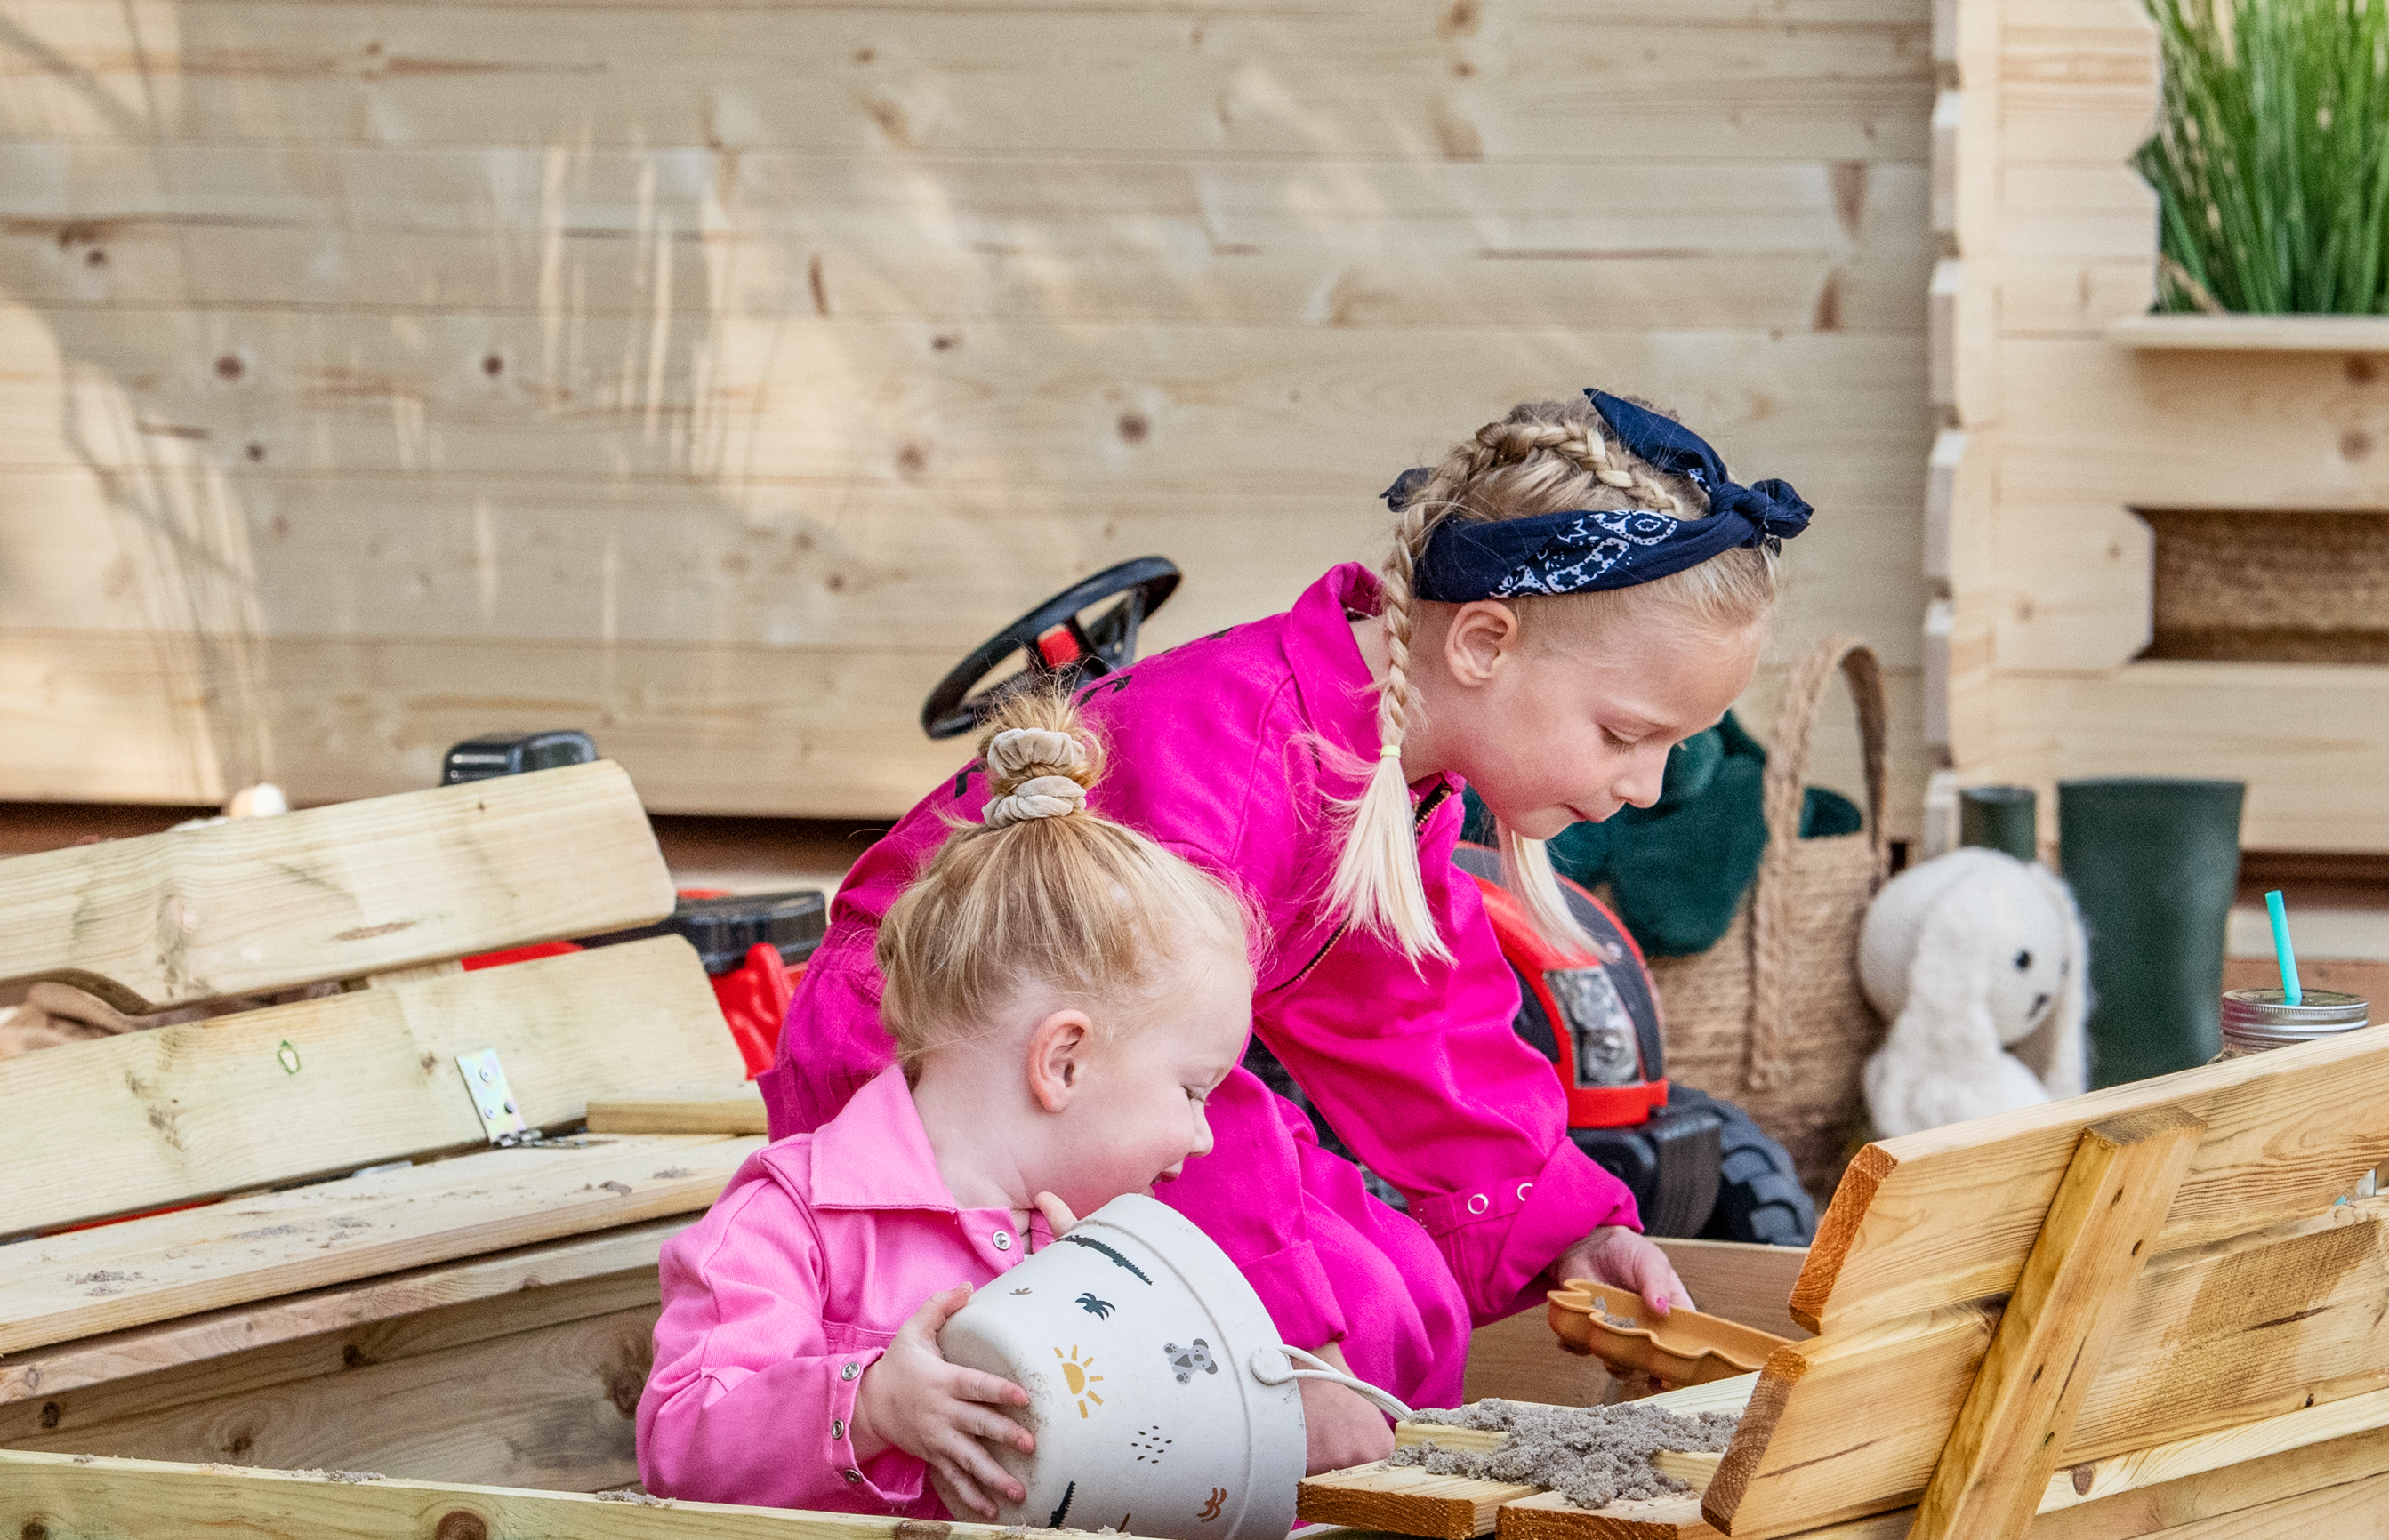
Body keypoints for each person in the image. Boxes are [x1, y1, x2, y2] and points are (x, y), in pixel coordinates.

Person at [760, 390, 1799, 1424]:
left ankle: (1338, 1522)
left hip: (1127, 1083)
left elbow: (1414, 1024)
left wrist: (1563, 1227)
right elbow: (1124, 1070)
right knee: (1305, 1319)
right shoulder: (1240, 758)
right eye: (1623, 735)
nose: (1649, 786)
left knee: (1396, 1289)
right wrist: (1286, 1348)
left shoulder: (1388, 770)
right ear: (1482, 643)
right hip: (943, 1065)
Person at [635, 681, 1270, 1515]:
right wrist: (870, 1407)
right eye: (1191, 1091)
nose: (1203, 1136)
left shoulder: (1098, 1257)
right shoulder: (792, 1220)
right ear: (1064, 1062)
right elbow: (680, 1443)